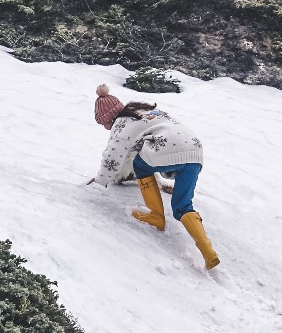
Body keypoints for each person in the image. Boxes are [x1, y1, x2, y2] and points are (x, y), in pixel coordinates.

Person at [92, 83, 219, 270]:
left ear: (109, 118)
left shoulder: (121, 124)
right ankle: (209, 253)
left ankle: (156, 216)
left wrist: (99, 182)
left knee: (140, 165)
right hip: (195, 151)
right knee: (183, 206)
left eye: (103, 123)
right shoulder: (142, 110)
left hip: (169, 149)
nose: (105, 127)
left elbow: (112, 156)